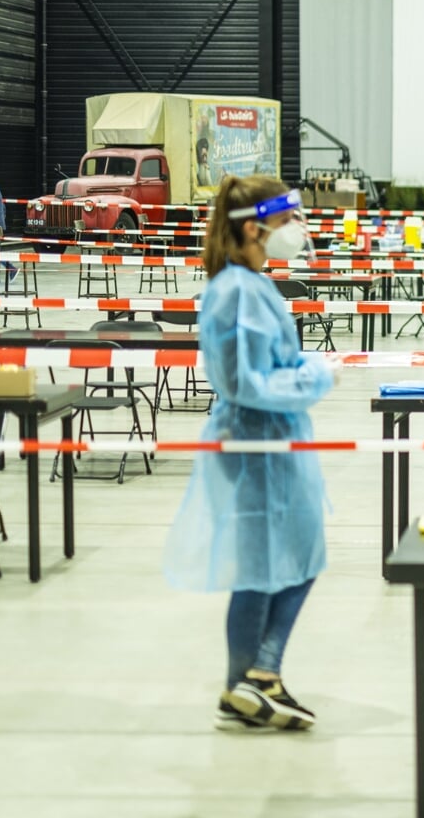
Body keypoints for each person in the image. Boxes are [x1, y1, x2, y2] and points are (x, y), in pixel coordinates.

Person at [164, 175, 337, 733]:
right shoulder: (236, 290)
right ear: (251, 227)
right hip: (257, 438)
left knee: (295, 556)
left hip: (276, 438)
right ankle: (250, 679)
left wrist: (301, 375)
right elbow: (245, 383)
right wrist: (312, 378)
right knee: (264, 565)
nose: (298, 230)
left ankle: (257, 677)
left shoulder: (252, 283)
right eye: (288, 220)